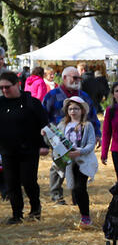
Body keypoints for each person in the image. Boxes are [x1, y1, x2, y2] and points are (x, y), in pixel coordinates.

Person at [42, 67, 101, 205]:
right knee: (59, 164)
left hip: (80, 137)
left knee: (78, 166)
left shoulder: (84, 96)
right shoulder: (52, 95)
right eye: (74, 78)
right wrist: (45, 135)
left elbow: (92, 116)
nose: (77, 81)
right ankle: (57, 196)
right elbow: (43, 116)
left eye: (78, 78)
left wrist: (97, 133)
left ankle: (77, 197)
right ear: (64, 78)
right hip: (58, 137)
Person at [0, 71, 49, 224]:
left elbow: (44, 124)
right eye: (1, 88)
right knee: (11, 183)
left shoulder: (31, 103)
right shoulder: (0, 103)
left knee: (28, 182)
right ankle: (17, 214)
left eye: (7, 87)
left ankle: (35, 209)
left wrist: (44, 144)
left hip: (29, 149)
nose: (4, 90)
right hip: (7, 150)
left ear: (17, 84)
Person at [57, 96, 98, 229]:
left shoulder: (87, 125)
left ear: (82, 110)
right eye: (70, 109)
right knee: (74, 188)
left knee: (81, 187)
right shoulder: (63, 125)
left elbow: (91, 143)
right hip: (69, 161)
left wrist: (80, 152)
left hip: (83, 160)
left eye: (76, 108)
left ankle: (86, 216)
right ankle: (82, 213)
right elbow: (56, 139)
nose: (73, 111)